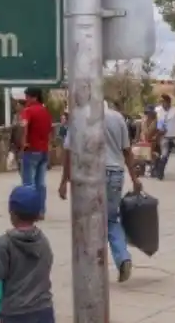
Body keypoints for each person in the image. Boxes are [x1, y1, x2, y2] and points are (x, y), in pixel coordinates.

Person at [59, 98, 143, 282]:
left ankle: (92, 265)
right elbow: (127, 150)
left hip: (90, 175)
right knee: (111, 219)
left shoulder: (79, 120)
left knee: (89, 221)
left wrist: (64, 180)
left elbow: (68, 151)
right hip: (114, 174)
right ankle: (123, 257)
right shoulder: (118, 118)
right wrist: (135, 178)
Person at [0, 186, 54, 323]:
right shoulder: (43, 241)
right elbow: (47, 264)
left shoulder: (6, 243)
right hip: (43, 310)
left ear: (12, 213)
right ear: (38, 215)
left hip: (15, 313)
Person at [19, 87, 52, 218]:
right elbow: (50, 130)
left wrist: (23, 143)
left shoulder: (28, 111)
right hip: (43, 150)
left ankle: (29, 211)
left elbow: (23, 126)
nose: (25, 99)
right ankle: (41, 210)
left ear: (33, 97)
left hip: (31, 149)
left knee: (28, 182)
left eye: (27, 96)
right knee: (41, 183)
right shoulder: (45, 112)